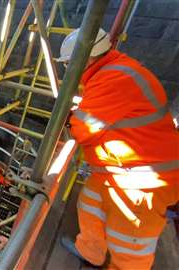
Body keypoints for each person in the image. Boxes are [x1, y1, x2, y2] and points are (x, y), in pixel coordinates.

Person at [57, 28, 179, 269]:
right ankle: (91, 253)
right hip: (118, 169)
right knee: (90, 201)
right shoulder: (112, 72)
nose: (68, 69)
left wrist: (68, 119)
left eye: (69, 64)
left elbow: (82, 129)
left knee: (129, 242)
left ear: (86, 59)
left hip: (145, 181)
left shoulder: (113, 79)